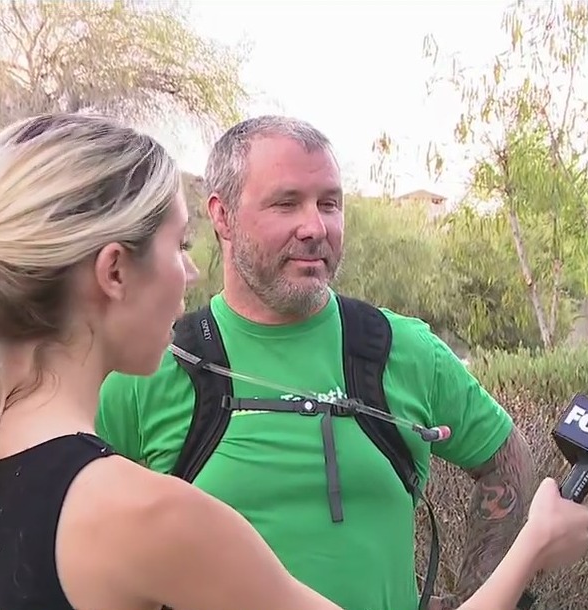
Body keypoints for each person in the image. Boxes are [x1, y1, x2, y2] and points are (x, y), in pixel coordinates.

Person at [0, 112, 588, 610]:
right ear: (114, 272)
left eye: (330, 202)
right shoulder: (155, 515)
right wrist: (533, 544)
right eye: (178, 246)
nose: (188, 272)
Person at [95, 115, 539, 610]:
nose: (315, 227)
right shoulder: (150, 366)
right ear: (222, 215)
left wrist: (473, 596)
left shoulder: (404, 350)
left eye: (329, 204)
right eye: (286, 203)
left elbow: (507, 464)